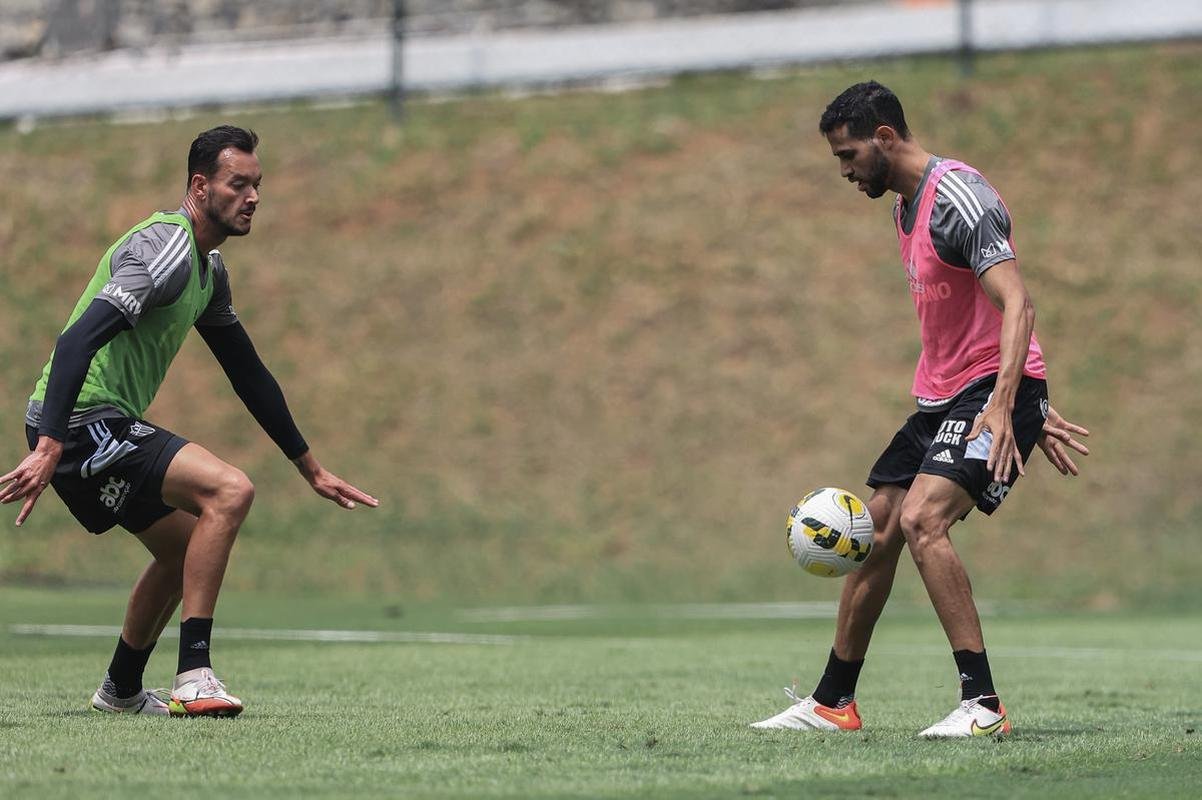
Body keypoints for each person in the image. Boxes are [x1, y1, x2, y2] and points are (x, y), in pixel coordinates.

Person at [1, 125, 379, 717]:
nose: (252, 197)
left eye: (258, 185)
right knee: (229, 491)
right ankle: (194, 674)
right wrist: (50, 444)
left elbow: (248, 373)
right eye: (238, 184)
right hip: (79, 420)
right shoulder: (167, 249)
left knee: (187, 550)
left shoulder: (208, 271)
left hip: (92, 424)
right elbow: (76, 341)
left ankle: (121, 689)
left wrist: (310, 467)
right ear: (201, 186)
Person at [751, 82, 1089, 737]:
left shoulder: (959, 200)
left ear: (884, 137)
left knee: (922, 519)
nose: (845, 171)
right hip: (944, 397)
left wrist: (1013, 402)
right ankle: (831, 703)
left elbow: (1018, 304)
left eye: (849, 155)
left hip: (989, 394)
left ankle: (983, 707)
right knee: (875, 531)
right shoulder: (903, 207)